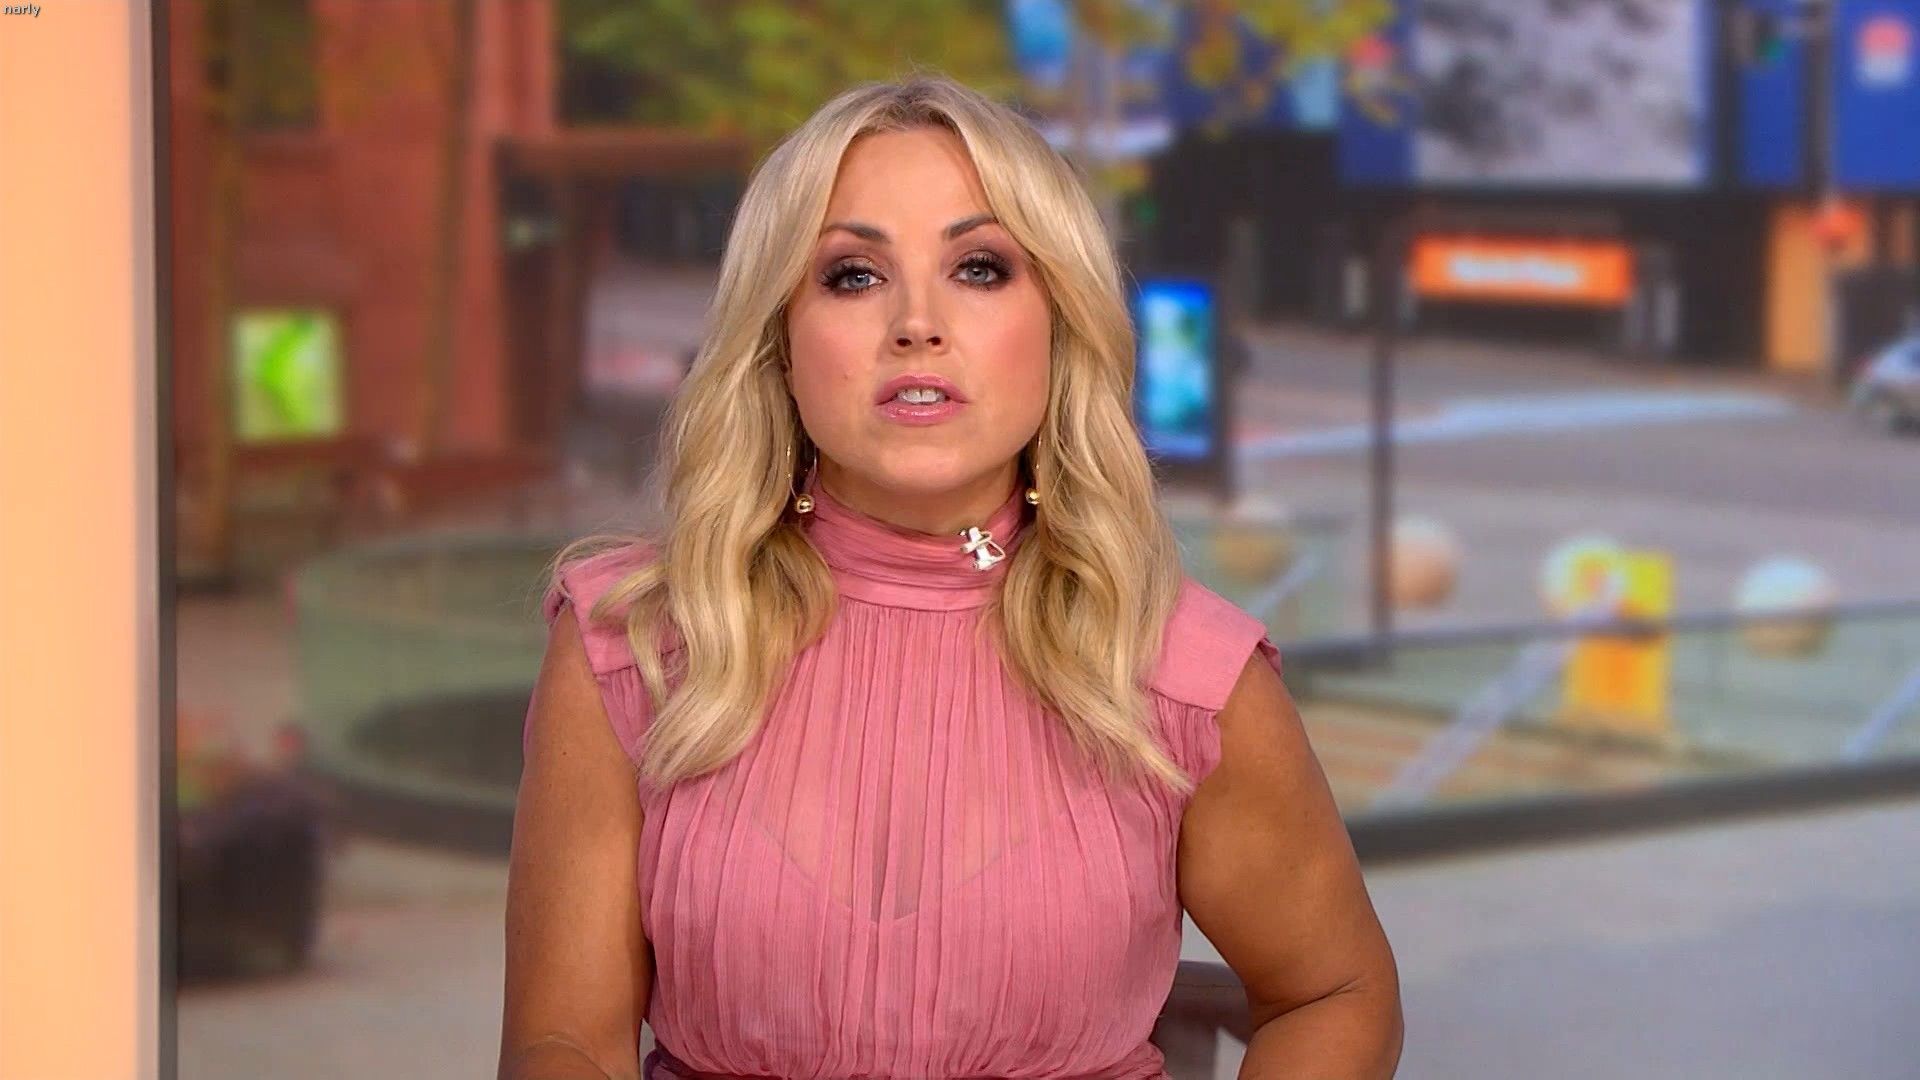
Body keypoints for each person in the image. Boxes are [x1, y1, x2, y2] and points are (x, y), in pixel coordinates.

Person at [499, 75, 1402, 1080]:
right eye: (853, 275)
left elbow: (1337, 994)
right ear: (779, 340)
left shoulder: (1189, 676)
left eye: (979, 268)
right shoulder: (627, 648)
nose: (917, 323)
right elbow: (561, 1040)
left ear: (1059, 324)